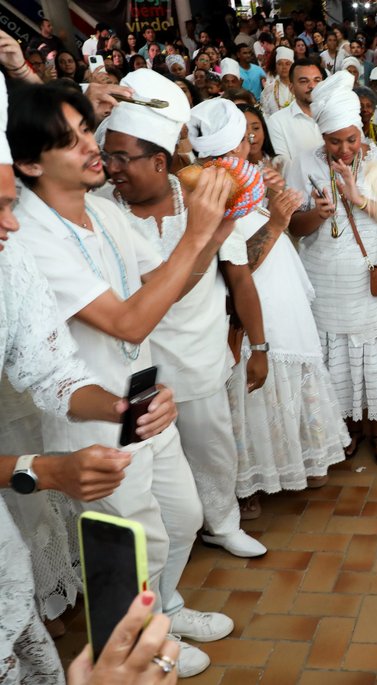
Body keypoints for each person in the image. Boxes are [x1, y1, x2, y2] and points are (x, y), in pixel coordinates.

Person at [10, 83, 237, 677]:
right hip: (90, 415)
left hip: (138, 396)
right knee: (131, 543)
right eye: (72, 140)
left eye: (90, 131)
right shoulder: (30, 235)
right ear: (30, 163)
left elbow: (162, 286)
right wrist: (195, 234)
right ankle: (140, 645)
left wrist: (213, 233)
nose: (94, 148)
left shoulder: (103, 210)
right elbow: (128, 317)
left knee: (183, 516)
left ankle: (166, 607)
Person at [99, 70, 267, 559]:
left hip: (197, 347)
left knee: (212, 445)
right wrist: (204, 238)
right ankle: (165, 543)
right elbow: (147, 295)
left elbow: (235, 273)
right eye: (108, 155)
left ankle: (222, 521)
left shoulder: (200, 190)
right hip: (131, 355)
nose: (111, 168)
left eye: (122, 158)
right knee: (147, 462)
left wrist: (258, 343)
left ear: (160, 160)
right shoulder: (102, 210)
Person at [187, 98, 350, 513]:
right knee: (254, 386)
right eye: (245, 136)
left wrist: (282, 207)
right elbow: (236, 266)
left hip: (281, 293)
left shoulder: (245, 176)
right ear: (236, 145)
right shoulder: (214, 187)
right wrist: (277, 221)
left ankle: (293, 463)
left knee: (286, 376)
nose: (251, 141)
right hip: (253, 303)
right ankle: (248, 485)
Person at [286, 72, 377, 466]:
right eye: (333, 141)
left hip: (373, 280)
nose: (344, 149)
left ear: (362, 132)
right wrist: (317, 214)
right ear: (321, 137)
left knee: (373, 362)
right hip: (327, 282)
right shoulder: (303, 163)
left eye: (351, 139)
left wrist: (357, 199)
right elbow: (294, 226)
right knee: (338, 361)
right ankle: (343, 431)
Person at [266, 58, 326, 166]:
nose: (312, 86)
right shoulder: (277, 122)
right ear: (291, 88)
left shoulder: (335, 114)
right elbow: (283, 167)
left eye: (317, 80)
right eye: (304, 81)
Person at [260, 46, 294, 116]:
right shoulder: (269, 90)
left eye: (287, 64)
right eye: (280, 64)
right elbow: (265, 114)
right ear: (276, 67)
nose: (284, 67)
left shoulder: (299, 87)